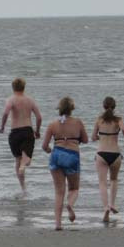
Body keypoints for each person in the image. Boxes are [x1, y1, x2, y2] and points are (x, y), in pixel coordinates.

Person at [42, 96, 88, 230]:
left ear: (59, 108)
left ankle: (58, 224)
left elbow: (44, 146)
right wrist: (76, 140)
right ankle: (70, 204)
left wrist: (49, 150)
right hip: (72, 155)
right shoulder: (78, 122)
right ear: (72, 109)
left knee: (59, 192)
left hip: (56, 155)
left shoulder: (52, 124)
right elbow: (85, 140)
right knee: (74, 188)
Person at [0, 77, 42, 194]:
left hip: (14, 133)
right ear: (24, 87)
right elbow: (39, 117)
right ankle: (23, 166)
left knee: (18, 159)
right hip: (27, 131)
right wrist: (37, 131)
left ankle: (23, 189)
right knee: (26, 160)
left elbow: (5, 113)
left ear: (13, 87)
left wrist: (2, 127)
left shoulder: (10, 100)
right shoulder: (30, 100)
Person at [92, 96, 124, 223]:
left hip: (101, 154)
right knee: (114, 180)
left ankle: (106, 208)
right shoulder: (118, 120)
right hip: (115, 154)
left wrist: (101, 137)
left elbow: (93, 137)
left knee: (102, 182)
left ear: (103, 106)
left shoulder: (99, 120)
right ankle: (112, 204)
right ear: (114, 107)